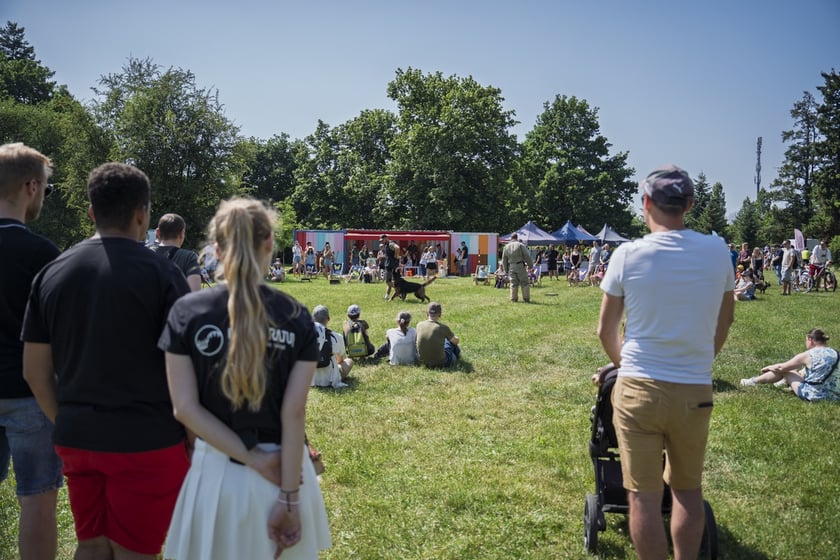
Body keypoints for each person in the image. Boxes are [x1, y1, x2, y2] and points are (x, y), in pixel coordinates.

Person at [22, 162, 192, 559]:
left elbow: (34, 371)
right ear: (142, 214)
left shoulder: (51, 273)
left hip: (77, 436)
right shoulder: (165, 277)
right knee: (135, 550)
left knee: (92, 545)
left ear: (91, 212)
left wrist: (65, 418)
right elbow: (189, 369)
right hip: (148, 441)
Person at [158, 198, 331, 559]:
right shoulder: (296, 315)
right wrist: (288, 497)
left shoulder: (187, 312)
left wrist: (250, 458)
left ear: (216, 250)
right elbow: (294, 414)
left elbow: (185, 409)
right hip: (286, 477)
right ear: (270, 243)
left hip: (217, 479)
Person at [596, 165, 735, 560]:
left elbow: (606, 332)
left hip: (638, 386)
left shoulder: (627, 254)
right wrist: (701, 361)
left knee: (641, 497)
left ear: (646, 203)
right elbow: (725, 321)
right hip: (694, 388)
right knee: (688, 490)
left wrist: (627, 366)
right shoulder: (717, 251)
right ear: (689, 204)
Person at [0, 142, 62, 560]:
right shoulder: (42, 254)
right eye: (46, 189)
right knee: (37, 503)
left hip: (28, 394)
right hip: (30, 395)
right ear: (30, 186)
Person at [741, 329, 839, 402]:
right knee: (805, 371)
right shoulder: (836, 354)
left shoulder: (808, 355)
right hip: (834, 396)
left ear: (810, 340)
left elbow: (781, 368)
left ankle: (752, 381)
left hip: (815, 395)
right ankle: (782, 383)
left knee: (787, 371)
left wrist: (769, 367)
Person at [151, 213, 202, 291]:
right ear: (182, 233)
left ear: (157, 232)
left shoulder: (144, 254)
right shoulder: (189, 257)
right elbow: (195, 293)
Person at [311, 305, 351, 389]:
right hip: (330, 379)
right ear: (328, 319)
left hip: (308, 379)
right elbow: (340, 360)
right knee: (349, 361)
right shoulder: (336, 337)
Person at [416, 302, 461, 368]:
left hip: (423, 362)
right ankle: (457, 356)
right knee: (449, 342)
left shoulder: (419, 325)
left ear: (427, 313)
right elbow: (456, 341)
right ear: (440, 314)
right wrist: (456, 338)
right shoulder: (443, 327)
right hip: (442, 364)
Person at [501, 233, 534, 303]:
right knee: (524, 282)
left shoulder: (506, 247)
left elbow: (504, 260)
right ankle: (526, 298)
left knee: (513, 283)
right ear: (517, 238)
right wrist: (530, 266)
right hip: (520, 266)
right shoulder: (520, 245)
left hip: (511, 267)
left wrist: (506, 270)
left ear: (511, 238)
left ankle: (513, 298)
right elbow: (527, 256)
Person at [380, 234, 399, 299]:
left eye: (382, 240)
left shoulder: (390, 243)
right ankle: (387, 296)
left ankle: (399, 290)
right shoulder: (387, 245)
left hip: (390, 265)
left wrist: (396, 256)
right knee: (389, 281)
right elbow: (389, 255)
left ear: (385, 238)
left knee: (388, 281)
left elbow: (397, 248)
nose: (381, 241)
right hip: (390, 264)